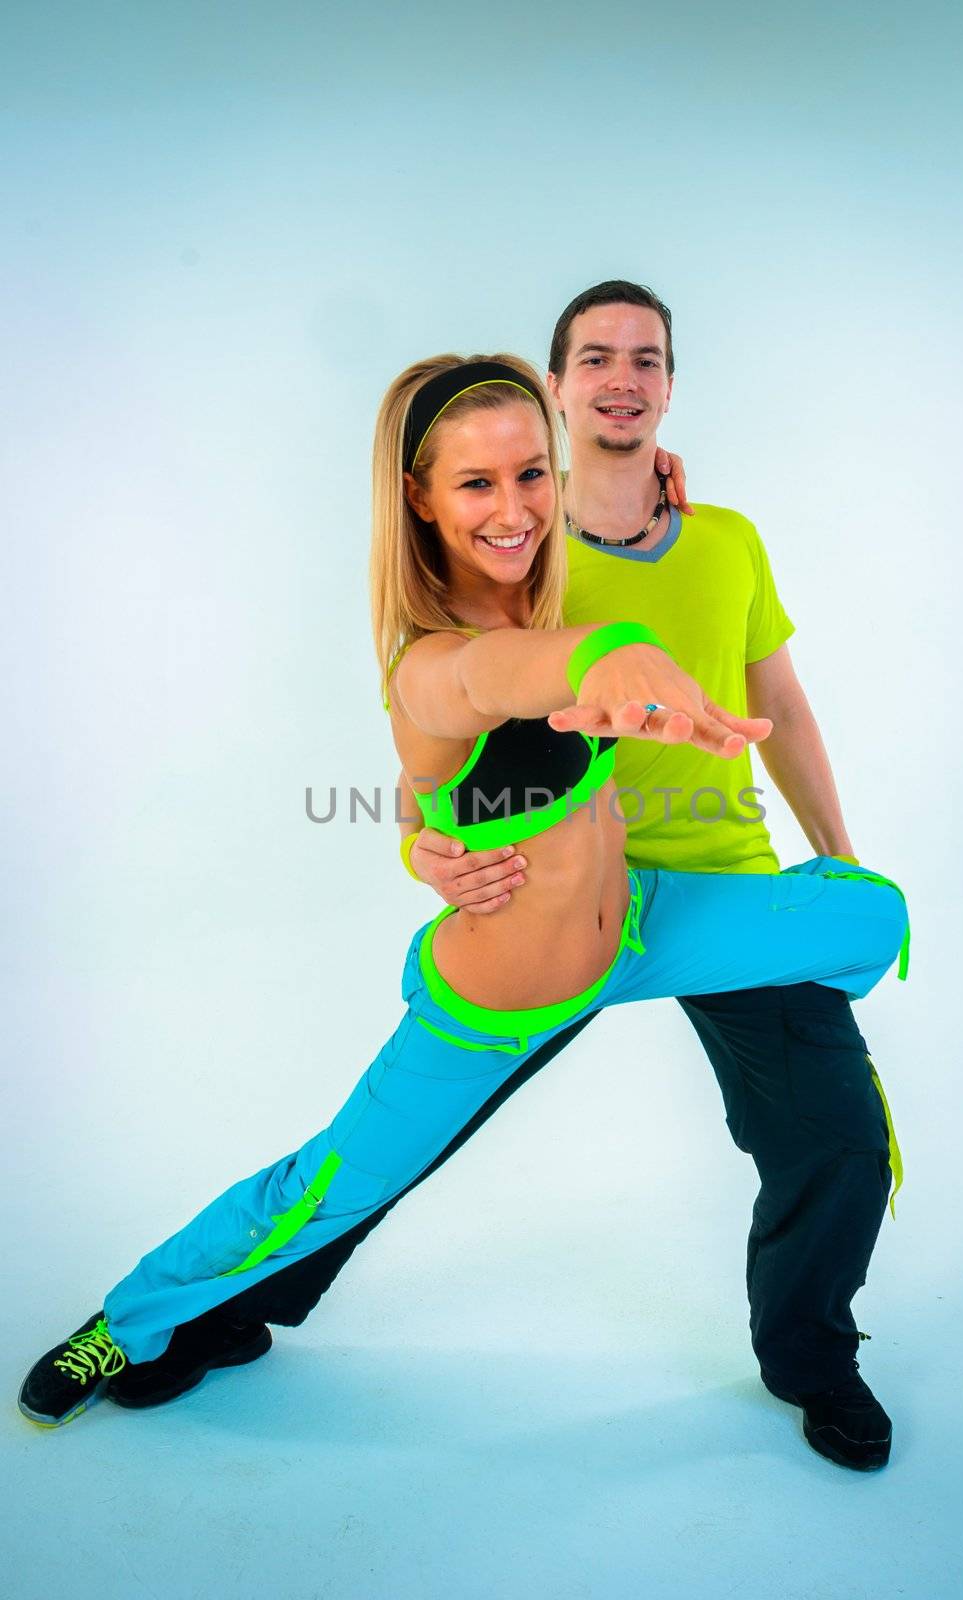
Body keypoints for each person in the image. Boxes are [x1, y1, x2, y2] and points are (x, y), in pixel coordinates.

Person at [19, 353, 907, 1477]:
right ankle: (132, 1321)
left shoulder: (584, 551)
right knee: (334, 1181)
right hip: (507, 987)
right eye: (476, 485)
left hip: (644, 916)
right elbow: (489, 684)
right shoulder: (433, 659)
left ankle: (815, 1356)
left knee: (875, 918)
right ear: (418, 498)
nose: (514, 508)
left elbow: (614, 587)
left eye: (530, 476)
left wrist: (639, 530)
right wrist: (608, 656)